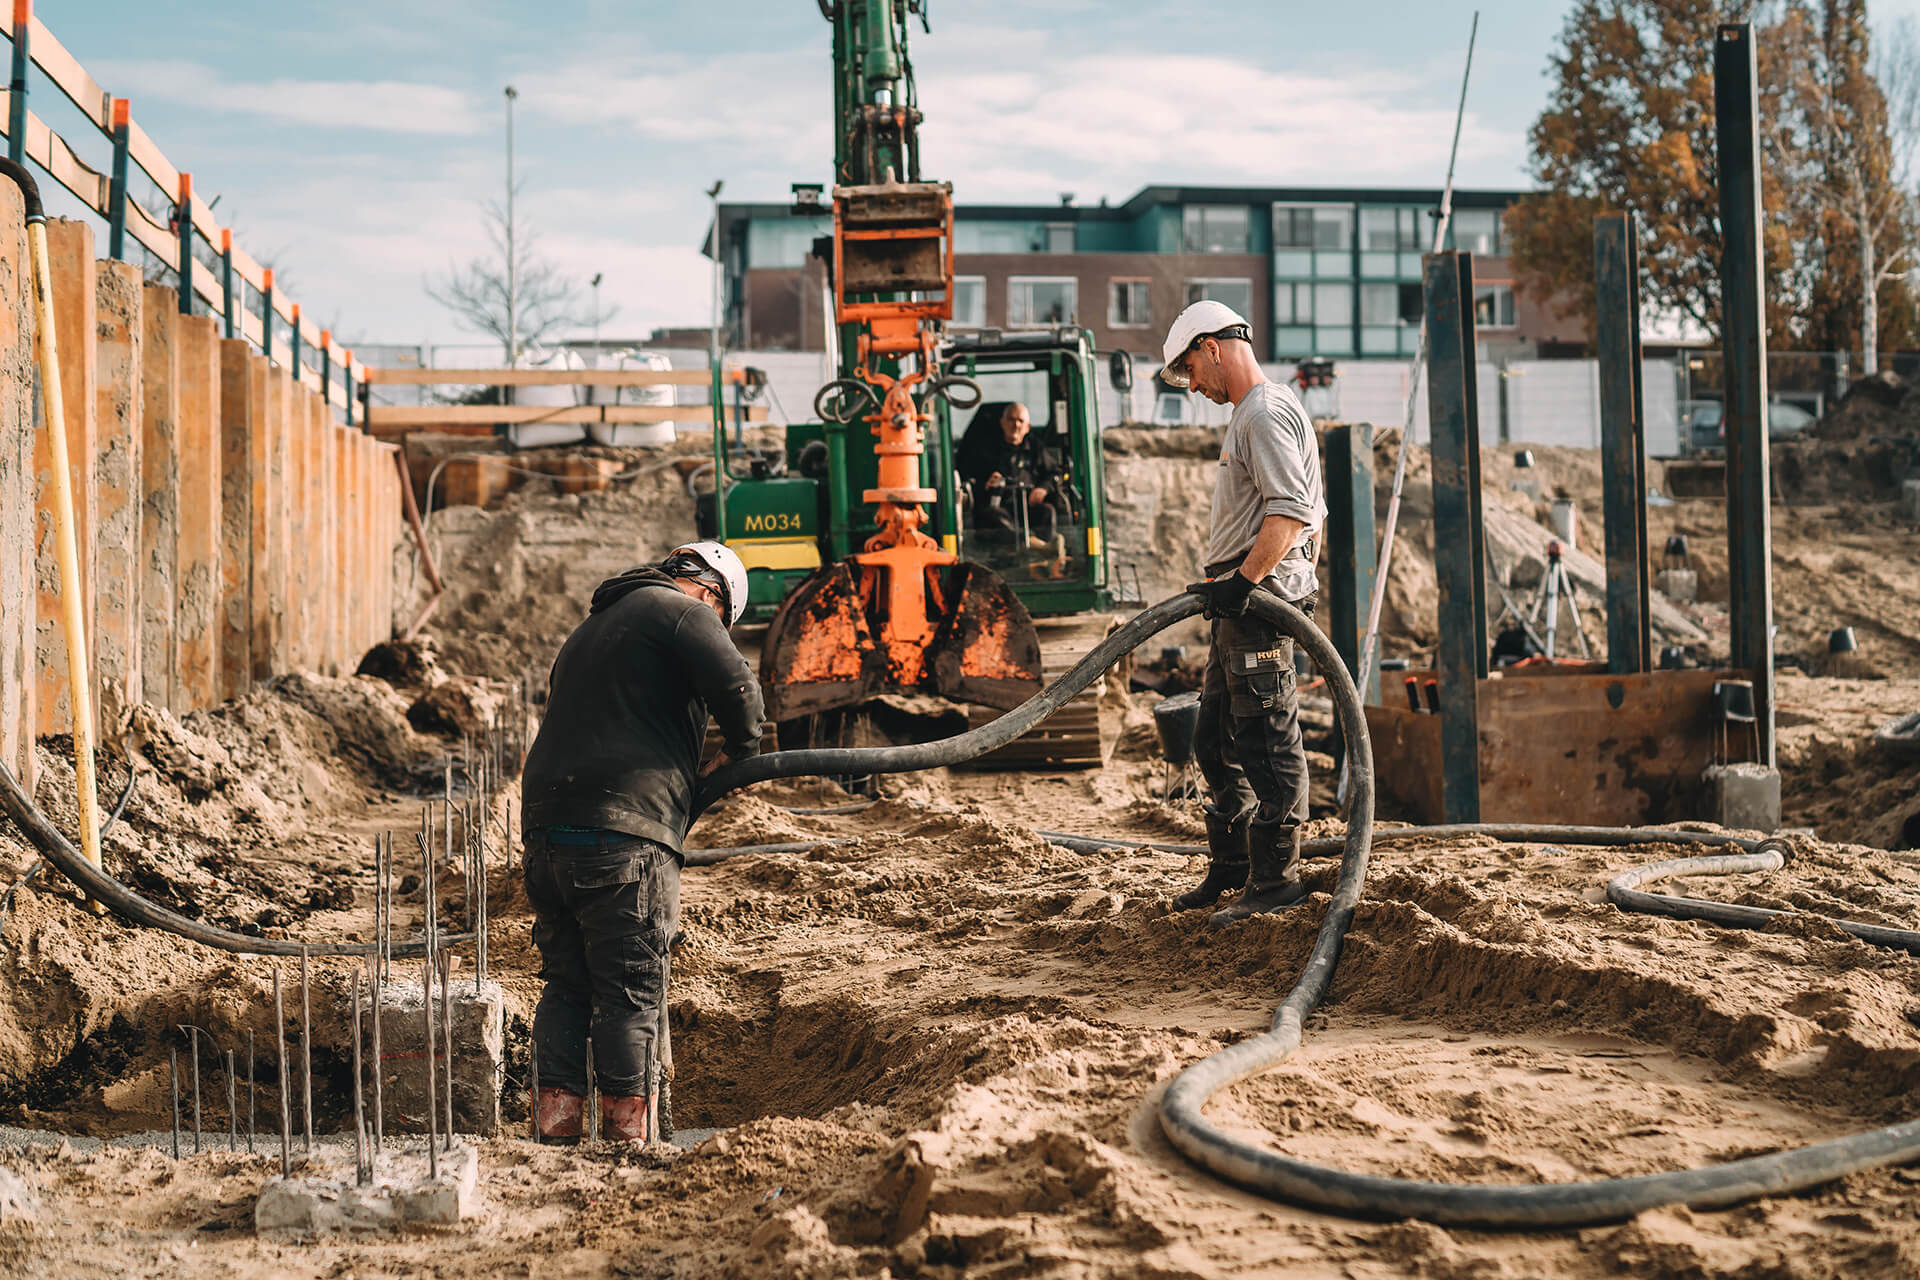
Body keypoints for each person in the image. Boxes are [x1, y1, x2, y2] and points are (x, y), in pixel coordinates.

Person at [518, 541, 762, 1143]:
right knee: (631, 986)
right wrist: (740, 750)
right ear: (713, 594)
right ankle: (629, 1138)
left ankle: (557, 1125)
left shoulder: (590, 628)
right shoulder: (683, 612)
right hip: (623, 834)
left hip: (546, 832)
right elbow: (740, 693)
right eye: (721, 619)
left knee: (567, 983)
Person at [1159, 300, 1328, 926]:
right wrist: (1229, 580)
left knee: (1265, 740)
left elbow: (1290, 514)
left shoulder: (1262, 413)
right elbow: (1313, 513)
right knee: (1214, 737)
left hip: (1258, 603)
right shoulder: (1259, 413)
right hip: (1242, 599)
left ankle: (1275, 882)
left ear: (1210, 346)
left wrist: (1250, 581)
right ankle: (1232, 867)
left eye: (1191, 372)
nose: (1195, 388)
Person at [960, 401, 1068, 553]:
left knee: (1047, 511)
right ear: (1002, 423)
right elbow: (966, 477)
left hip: (1028, 506)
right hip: (998, 509)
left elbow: (1055, 473)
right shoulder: (984, 449)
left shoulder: (1036, 448)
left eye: (1020, 421)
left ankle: (1046, 561)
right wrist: (985, 483)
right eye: (1011, 419)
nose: (1015, 425)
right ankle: (1036, 546)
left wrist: (1043, 489)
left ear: (1028, 427)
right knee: (993, 516)